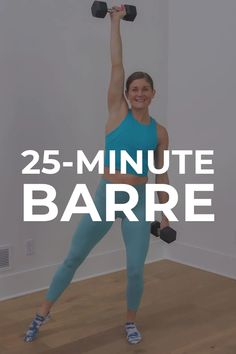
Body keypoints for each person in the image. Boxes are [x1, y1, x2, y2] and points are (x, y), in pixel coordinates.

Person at [24, 5, 170, 345]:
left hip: (138, 204)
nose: (138, 93)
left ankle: (130, 321)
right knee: (74, 257)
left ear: (152, 94)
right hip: (106, 198)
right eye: (134, 89)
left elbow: (162, 175)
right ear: (127, 94)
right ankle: (40, 314)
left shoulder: (160, 132)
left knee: (135, 267)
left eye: (144, 90)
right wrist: (115, 20)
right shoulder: (117, 112)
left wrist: (165, 216)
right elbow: (117, 65)